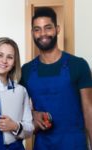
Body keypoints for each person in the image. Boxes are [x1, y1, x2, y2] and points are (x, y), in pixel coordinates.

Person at [20, 7, 92, 150]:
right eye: (37, 29)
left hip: (74, 145)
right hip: (42, 145)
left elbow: (89, 111)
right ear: (32, 33)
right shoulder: (26, 70)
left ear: (57, 29)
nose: (42, 34)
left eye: (48, 28)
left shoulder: (78, 65)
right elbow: (18, 108)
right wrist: (33, 114)